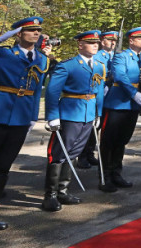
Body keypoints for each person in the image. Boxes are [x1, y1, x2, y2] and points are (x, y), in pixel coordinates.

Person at [0, 17, 53, 238]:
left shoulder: (42, 59)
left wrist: (33, 118)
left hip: (21, 118)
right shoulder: (3, 53)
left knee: (2, 168)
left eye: (38, 30)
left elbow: (36, 91)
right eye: (30, 30)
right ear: (18, 33)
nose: (36, 33)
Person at [41, 30, 107, 212]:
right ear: (80, 45)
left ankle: (63, 190)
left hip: (88, 114)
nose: (96, 45)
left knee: (74, 153)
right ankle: (50, 196)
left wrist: (97, 113)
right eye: (91, 42)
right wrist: (52, 116)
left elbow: (99, 91)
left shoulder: (100, 66)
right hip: (70, 113)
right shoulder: (68, 66)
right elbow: (53, 91)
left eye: (97, 43)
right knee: (59, 154)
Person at [99, 27, 141, 193]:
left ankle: (117, 173)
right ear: (131, 40)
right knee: (109, 141)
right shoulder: (121, 56)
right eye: (140, 38)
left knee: (122, 140)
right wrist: (133, 93)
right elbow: (119, 76)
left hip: (132, 105)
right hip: (118, 103)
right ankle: (105, 177)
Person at [77, 29, 118, 169]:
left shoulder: (115, 55)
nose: (113, 43)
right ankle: (82, 155)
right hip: (100, 91)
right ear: (103, 41)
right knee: (90, 126)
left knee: (99, 126)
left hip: (111, 96)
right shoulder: (98, 56)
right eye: (110, 40)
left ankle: (90, 153)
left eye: (115, 41)